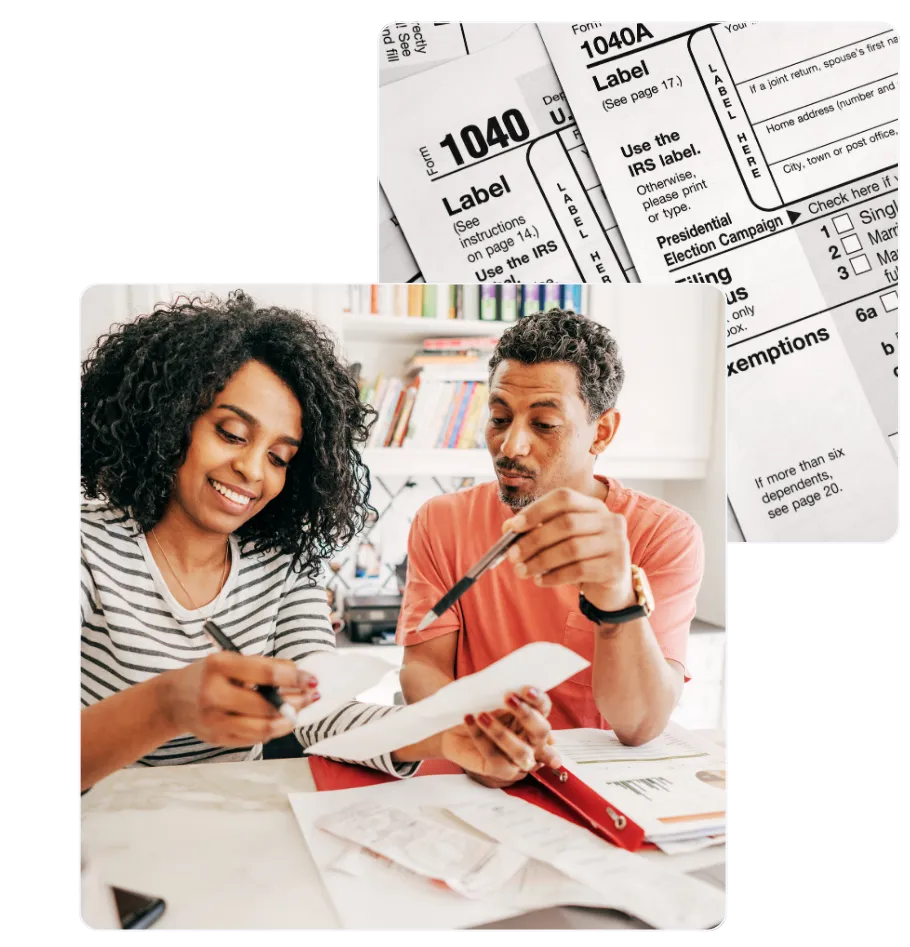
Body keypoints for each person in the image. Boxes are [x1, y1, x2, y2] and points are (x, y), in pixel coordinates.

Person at [78, 291, 558, 792]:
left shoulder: (281, 567)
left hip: (228, 827)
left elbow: (323, 715)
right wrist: (165, 705)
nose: (251, 470)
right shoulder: (86, 546)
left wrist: (445, 734)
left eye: (280, 457)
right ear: (169, 421)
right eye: (232, 433)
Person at [398, 308, 704, 785]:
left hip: (591, 787)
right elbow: (421, 668)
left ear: (601, 432)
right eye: (499, 417)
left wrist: (615, 591)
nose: (510, 446)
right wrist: (478, 733)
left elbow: (640, 724)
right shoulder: (441, 521)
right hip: (467, 777)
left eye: (543, 425)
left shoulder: (664, 535)